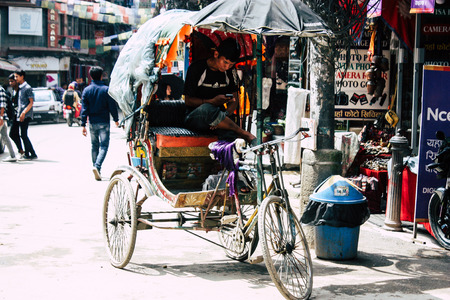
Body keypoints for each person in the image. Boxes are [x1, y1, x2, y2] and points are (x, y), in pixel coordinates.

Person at [183, 38, 256, 144]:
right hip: (196, 117)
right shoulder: (196, 68)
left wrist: (224, 116)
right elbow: (188, 101)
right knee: (207, 109)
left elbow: (234, 100)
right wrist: (211, 102)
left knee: (231, 139)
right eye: (225, 62)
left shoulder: (231, 71)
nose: (227, 67)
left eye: (231, 64)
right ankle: (244, 133)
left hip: (220, 118)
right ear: (216, 54)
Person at [81, 66, 119, 181]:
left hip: (92, 122)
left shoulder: (86, 90)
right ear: (101, 76)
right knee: (104, 146)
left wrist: (83, 124)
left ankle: (96, 168)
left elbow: (84, 109)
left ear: (91, 76)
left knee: (94, 146)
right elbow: (112, 106)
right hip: (104, 122)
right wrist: (116, 119)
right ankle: (97, 166)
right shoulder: (106, 90)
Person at [10, 70, 37, 160]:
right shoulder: (20, 87)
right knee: (23, 135)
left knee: (23, 135)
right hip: (21, 114)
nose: (15, 78)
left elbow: (31, 103)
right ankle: (32, 153)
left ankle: (28, 154)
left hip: (26, 114)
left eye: (17, 77)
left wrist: (23, 113)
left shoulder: (27, 87)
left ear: (22, 76)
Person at [0, 85, 17, 162]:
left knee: (5, 137)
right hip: (2, 118)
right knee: (5, 137)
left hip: (1, 117)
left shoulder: (0, 90)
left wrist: (1, 117)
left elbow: (2, 105)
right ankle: (12, 156)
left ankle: (13, 156)